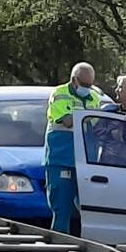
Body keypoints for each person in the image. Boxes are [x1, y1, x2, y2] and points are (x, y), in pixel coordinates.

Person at [44, 62, 101, 234]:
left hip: (84, 160)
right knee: (61, 207)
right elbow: (66, 121)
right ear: (74, 80)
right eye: (84, 85)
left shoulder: (94, 98)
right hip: (61, 158)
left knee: (86, 208)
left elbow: (97, 127)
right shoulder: (60, 94)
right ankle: (59, 245)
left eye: (90, 85)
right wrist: (85, 118)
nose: (87, 89)